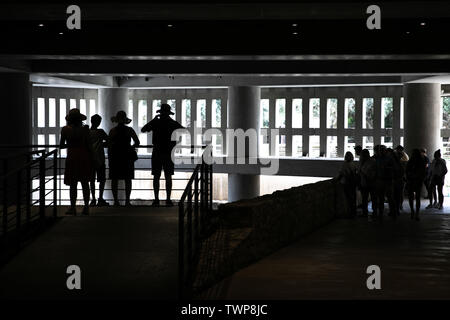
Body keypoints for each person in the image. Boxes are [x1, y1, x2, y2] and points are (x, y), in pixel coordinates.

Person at [141, 103, 184, 207]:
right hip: (169, 152)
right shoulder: (172, 123)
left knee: (156, 176)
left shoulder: (156, 123)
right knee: (168, 176)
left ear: (160, 112)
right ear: (169, 113)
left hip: (157, 151)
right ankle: (168, 199)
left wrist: (154, 120)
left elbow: (143, 129)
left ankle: (156, 199)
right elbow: (183, 131)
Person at [60, 109, 93, 215]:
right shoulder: (85, 129)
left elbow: (61, 145)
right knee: (85, 183)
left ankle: (73, 207)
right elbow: (89, 145)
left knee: (73, 184)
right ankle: (86, 207)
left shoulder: (65, 129)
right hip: (84, 157)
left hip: (72, 157)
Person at [108, 111, 140, 207]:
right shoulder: (129, 130)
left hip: (115, 157)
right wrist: (131, 148)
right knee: (128, 179)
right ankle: (127, 201)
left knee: (114, 179)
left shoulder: (113, 131)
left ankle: (116, 201)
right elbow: (137, 142)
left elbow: (109, 145)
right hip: (127, 157)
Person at [89, 114, 109, 207]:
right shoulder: (100, 132)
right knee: (102, 180)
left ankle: (93, 199)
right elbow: (108, 141)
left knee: (91, 180)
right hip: (100, 158)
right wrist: (101, 144)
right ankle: (100, 198)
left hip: (90, 158)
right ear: (98, 122)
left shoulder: (87, 132)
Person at [406, 149, 427, 221]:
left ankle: (413, 211)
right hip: (417, 181)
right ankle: (416, 213)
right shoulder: (421, 162)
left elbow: (406, 171)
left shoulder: (410, 162)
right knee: (417, 198)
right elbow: (423, 173)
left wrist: (410, 176)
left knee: (411, 197)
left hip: (412, 181)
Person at [337, 151, 357, 218]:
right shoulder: (353, 164)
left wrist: (337, 180)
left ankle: (349, 213)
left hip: (347, 183)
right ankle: (353, 212)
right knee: (353, 198)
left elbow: (341, 174)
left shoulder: (345, 165)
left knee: (348, 199)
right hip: (353, 183)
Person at [359, 149, 377, 217]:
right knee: (368, 198)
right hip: (367, 182)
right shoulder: (371, 161)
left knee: (367, 198)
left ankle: (368, 212)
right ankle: (370, 211)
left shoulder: (369, 161)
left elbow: (372, 172)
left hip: (369, 182)